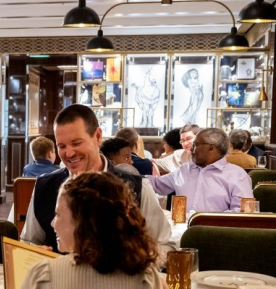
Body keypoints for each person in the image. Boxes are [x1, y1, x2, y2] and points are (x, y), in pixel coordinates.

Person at [20, 104, 174, 260]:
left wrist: (131, 257)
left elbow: (166, 247)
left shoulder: (138, 187)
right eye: (62, 146)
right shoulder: (44, 186)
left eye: (76, 143)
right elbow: (28, 242)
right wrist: (33, 253)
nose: (69, 153)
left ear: (98, 137)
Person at [19, 172, 165, 289]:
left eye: (58, 214)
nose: (52, 223)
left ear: (82, 221)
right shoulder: (146, 279)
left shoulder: (42, 277)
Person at [146, 128, 254, 213]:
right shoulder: (185, 170)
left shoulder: (237, 175)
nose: (191, 149)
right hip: (183, 230)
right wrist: (136, 177)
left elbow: (244, 213)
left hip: (218, 231)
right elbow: (156, 184)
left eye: (195, 145)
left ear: (211, 148)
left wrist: (206, 222)